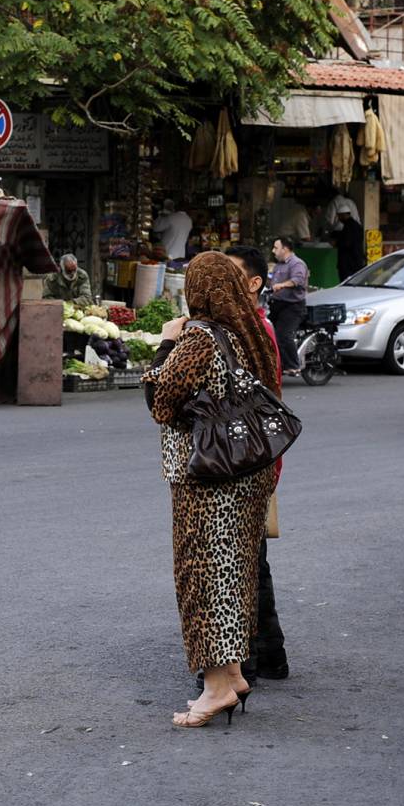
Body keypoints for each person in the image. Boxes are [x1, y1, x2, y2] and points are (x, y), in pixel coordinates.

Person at [142, 251, 280, 728]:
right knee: (234, 576)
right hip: (245, 475)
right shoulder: (245, 333)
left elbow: (161, 401)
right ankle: (234, 673)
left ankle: (216, 687)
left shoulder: (199, 339)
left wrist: (164, 344)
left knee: (202, 579)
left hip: (206, 478)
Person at [223, 245, 290, 683]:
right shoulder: (249, 328)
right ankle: (269, 654)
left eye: (228, 275)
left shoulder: (249, 333)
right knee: (252, 558)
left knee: (234, 560)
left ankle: (241, 661)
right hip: (253, 457)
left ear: (252, 284)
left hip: (242, 461)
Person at [268, 236, 309, 376]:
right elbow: (271, 282)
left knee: (283, 335)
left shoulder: (297, 264)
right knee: (266, 332)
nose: (273, 251)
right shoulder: (279, 265)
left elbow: (298, 280)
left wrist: (283, 285)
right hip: (277, 305)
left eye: (276, 248)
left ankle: (293, 365)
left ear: (285, 249)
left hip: (293, 306)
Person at [333, 208, 366, 281]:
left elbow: (347, 243)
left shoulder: (348, 226)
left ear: (343, 215)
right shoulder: (356, 225)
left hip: (348, 263)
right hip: (357, 261)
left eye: (339, 216)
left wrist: (337, 243)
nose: (339, 219)